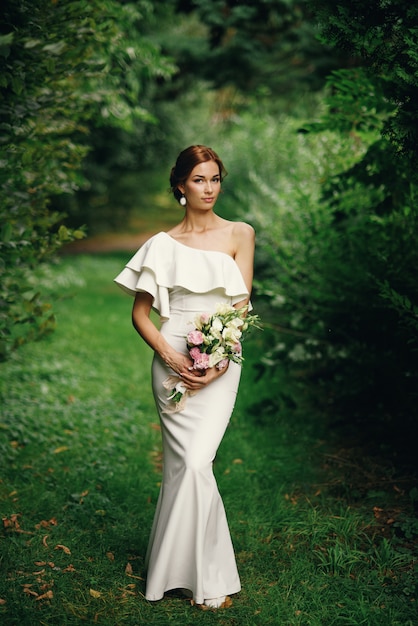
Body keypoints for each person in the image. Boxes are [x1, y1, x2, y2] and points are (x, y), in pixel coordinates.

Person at [114, 145, 255, 609]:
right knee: (183, 469)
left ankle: (207, 579)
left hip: (220, 357)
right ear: (180, 185)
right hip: (171, 360)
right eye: (199, 180)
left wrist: (217, 363)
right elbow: (140, 316)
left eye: (215, 179)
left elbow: (241, 307)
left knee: (197, 462)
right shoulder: (161, 244)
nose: (209, 188)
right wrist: (172, 357)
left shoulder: (240, 233)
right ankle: (174, 573)